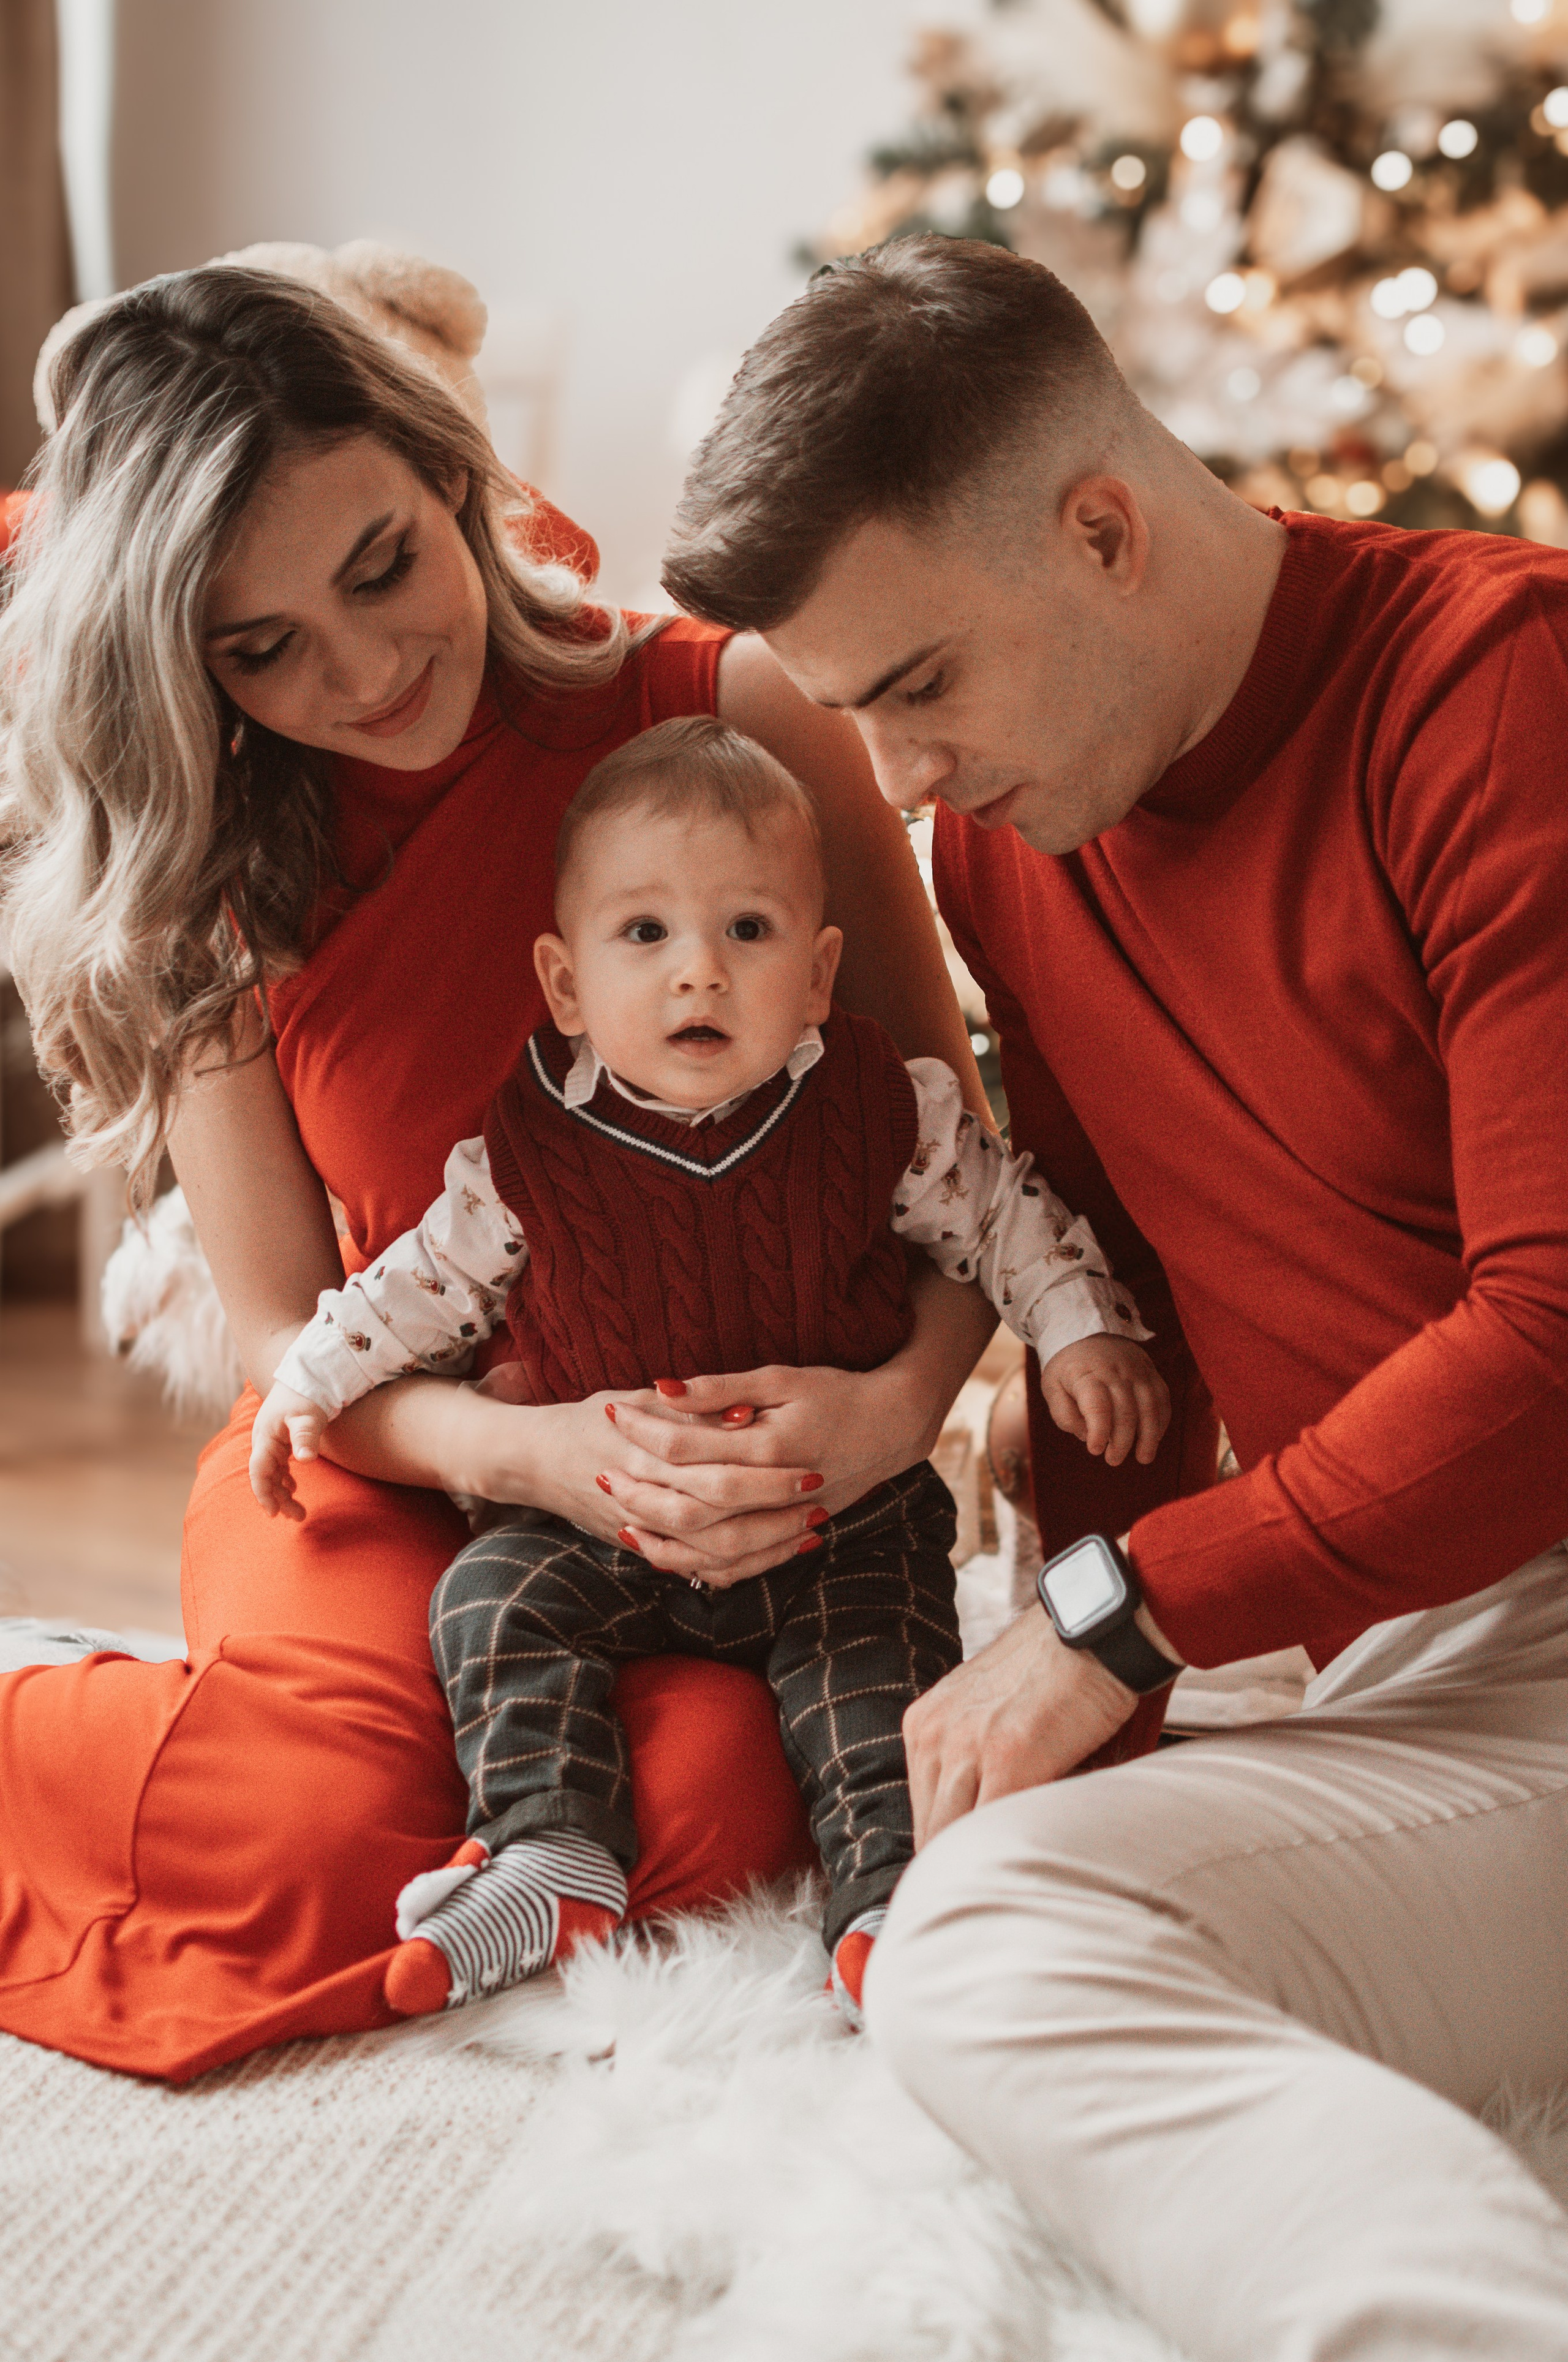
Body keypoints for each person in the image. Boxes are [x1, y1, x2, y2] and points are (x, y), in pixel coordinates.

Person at [663, 234, 1568, 2362]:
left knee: (999, 1956)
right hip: (1405, 1635)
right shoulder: (1020, 835)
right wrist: (1103, 1690)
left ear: (1102, 530)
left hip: (1529, 1590)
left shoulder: (1500, 692)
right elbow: (1119, 1316)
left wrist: (1122, 1620)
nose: (889, 784)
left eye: (916, 688)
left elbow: (1550, 1342)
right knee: (984, 1913)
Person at [0, 262, 997, 2083]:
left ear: (453, 478)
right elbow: (288, 1338)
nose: (364, 672)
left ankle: (509, 1819)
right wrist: (529, 1455)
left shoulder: (735, 714)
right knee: (299, 1831)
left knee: (708, 1803)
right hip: (398, 1455)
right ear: (185, 667)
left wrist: (889, 1415)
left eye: (379, 566)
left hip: (753, 1488)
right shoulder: (227, 879)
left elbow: (946, 1161)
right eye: (260, 647)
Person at [247, 714, 1170, 2023]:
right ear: (566, 987)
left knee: (875, 1686)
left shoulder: (875, 1102)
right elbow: (412, 1286)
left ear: (817, 969)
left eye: (747, 931)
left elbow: (1002, 1210)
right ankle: (550, 1848)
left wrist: (1077, 1324)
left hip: (834, 1520)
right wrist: (309, 1384)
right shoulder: (525, 1153)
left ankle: (887, 1905)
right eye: (646, 936)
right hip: (605, 1524)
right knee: (488, 1602)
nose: (700, 975)